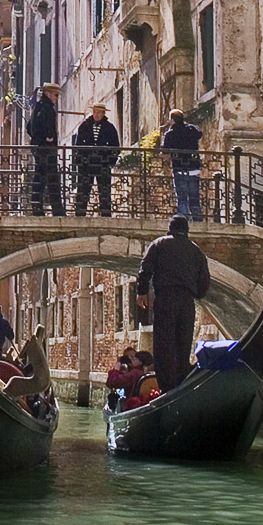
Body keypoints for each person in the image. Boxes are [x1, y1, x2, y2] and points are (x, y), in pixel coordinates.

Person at [136, 214, 211, 392]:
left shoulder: (159, 244)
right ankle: (180, 385)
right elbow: (205, 280)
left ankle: (166, 389)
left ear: (170, 228)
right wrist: (197, 294)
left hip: (165, 299)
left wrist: (141, 292)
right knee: (183, 345)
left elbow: (145, 269)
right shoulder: (196, 250)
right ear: (186, 230)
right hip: (186, 302)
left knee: (164, 346)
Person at [74, 103, 121, 217]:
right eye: (95, 112)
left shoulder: (109, 128)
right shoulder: (84, 126)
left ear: (103, 113)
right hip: (86, 164)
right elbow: (78, 146)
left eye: (99, 112)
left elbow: (116, 147)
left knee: (104, 191)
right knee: (83, 189)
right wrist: (80, 161)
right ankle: (80, 215)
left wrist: (110, 162)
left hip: (103, 164)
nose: (97, 114)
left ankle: (106, 215)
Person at [27, 82, 65, 216]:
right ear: (48, 94)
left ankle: (38, 207)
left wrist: (36, 138)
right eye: (55, 95)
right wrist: (48, 138)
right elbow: (47, 126)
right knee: (51, 178)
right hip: (46, 149)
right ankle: (57, 210)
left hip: (39, 148)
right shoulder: (47, 107)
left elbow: (28, 127)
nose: (56, 98)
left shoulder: (38, 107)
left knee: (41, 177)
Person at [161, 109, 203, 221]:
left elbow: (164, 149)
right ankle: (198, 222)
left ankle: (184, 222)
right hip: (194, 167)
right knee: (194, 198)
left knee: (182, 198)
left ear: (172, 119)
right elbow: (199, 134)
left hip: (179, 167)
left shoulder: (170, 133)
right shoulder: (191, 129)